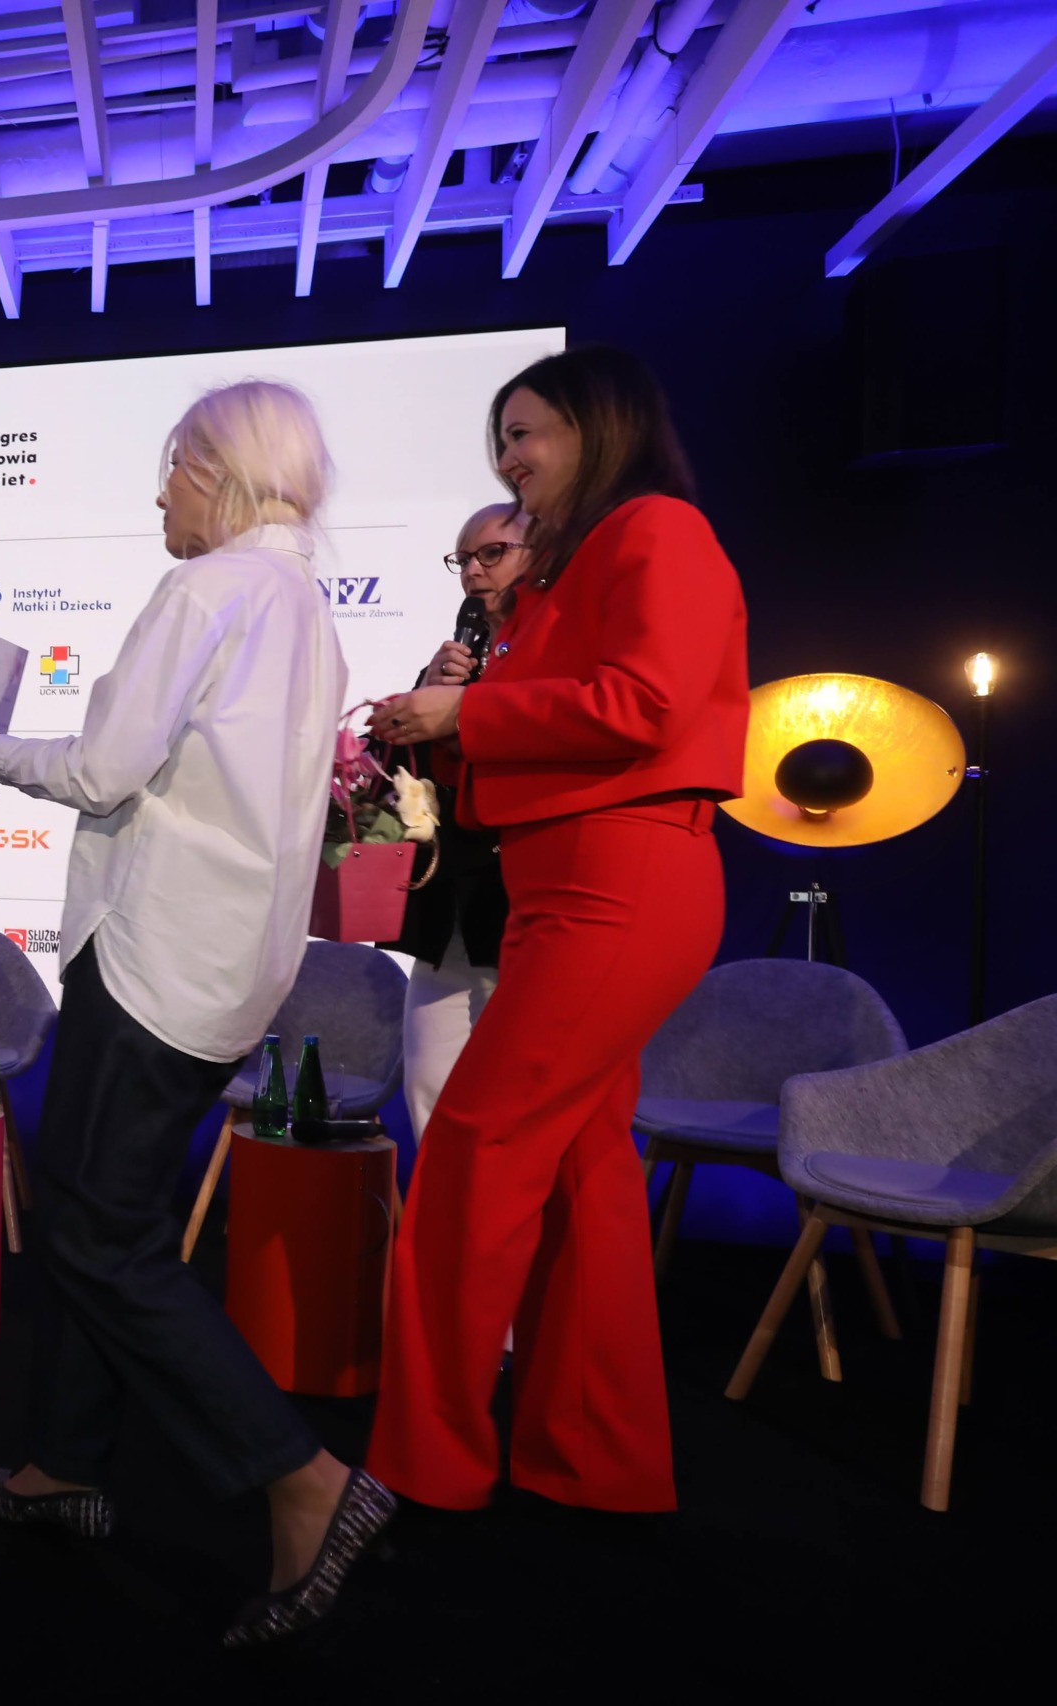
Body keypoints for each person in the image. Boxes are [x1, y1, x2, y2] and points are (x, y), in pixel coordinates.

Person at [0, 381, 395, 1649]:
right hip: (225, 967)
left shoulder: (208, 590)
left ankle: (302, 1476)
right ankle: (63, 1462)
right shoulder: (299, 602)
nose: (157, 494)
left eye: (172, 468)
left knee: (99, 1234)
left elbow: (100, 769)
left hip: (149, 958)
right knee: (108, 1212)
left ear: (218, 473)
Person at [363, 345, 749, 1514]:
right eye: (501, 438)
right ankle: (590, 1455)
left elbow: (643, 704)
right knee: (583, 1168)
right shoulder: (559, 572)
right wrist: (439, 725)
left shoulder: (655, 530)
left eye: (523, 432)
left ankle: (424, 1460)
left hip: (618, 877)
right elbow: (533, 745)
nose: (507, 459)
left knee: (474, 1149)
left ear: (598, 426)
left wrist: (467, 712)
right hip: (562, 883)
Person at [379, 502, 532, 1142]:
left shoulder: (552, 650)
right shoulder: (459, 652)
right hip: (448, 902)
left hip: (519, 896)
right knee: (428, 1083)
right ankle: (437, 1205)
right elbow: (405, 775)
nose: (472, 570)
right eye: (463, 558)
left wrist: (468, 710)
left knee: (510, 1096)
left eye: (491, 553)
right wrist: (425, 696)